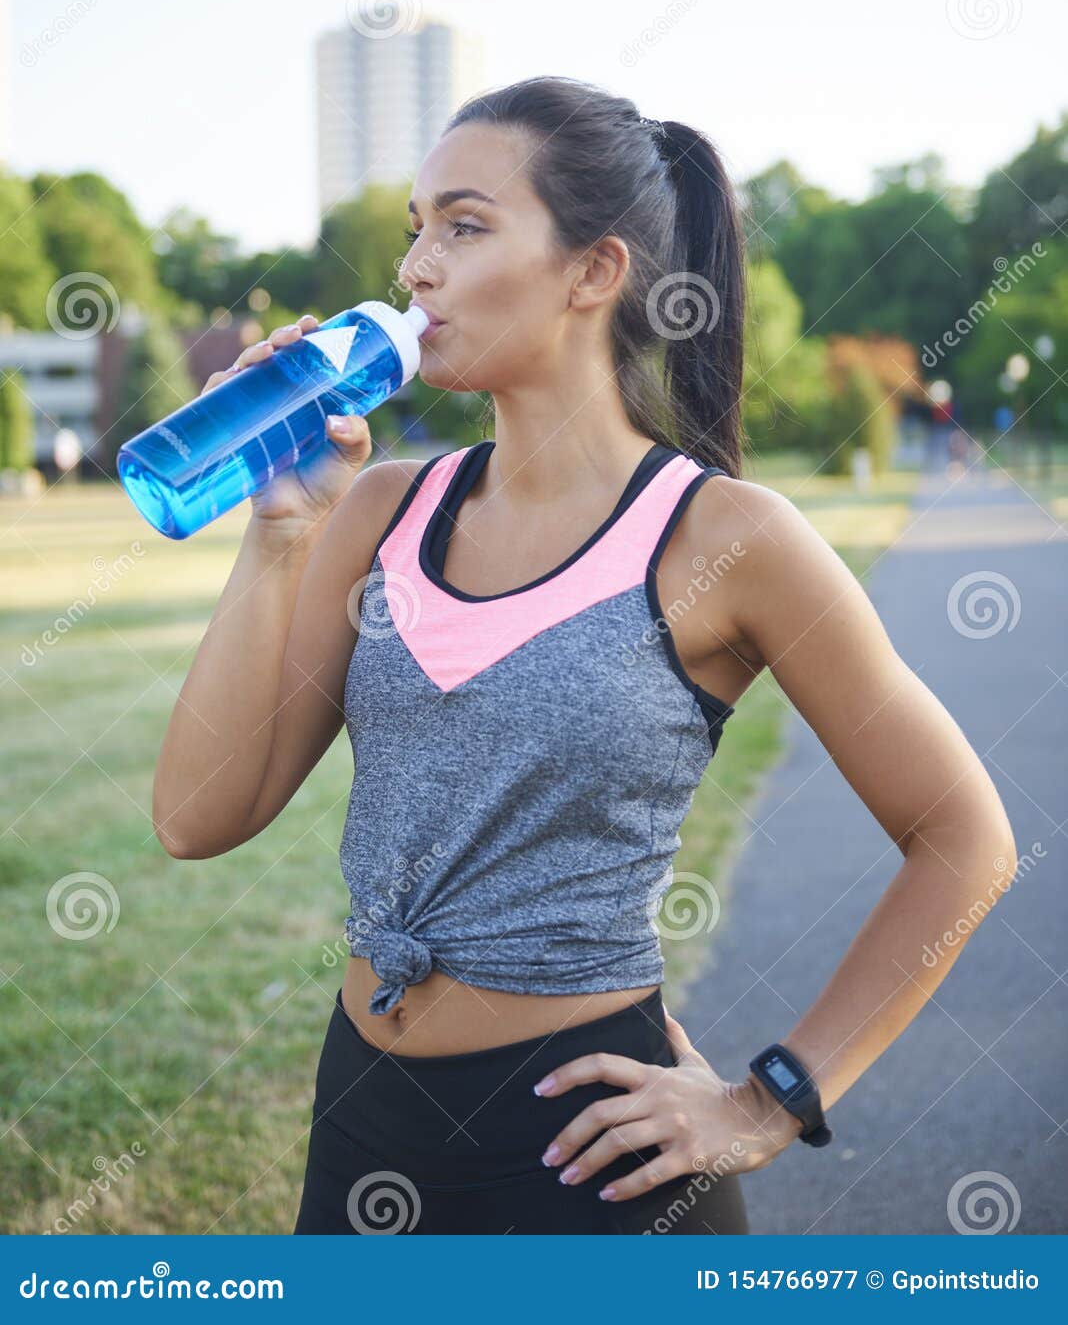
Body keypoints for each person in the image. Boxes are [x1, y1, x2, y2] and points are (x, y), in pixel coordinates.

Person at [152, 76, 1017, 1235]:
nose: (416, 268)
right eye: (418, 230)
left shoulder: (726, 538)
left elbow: (964, 839)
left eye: (464, 226)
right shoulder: (381, 511)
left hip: (587, 1159)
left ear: (593, 272)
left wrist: (771, 1100)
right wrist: (275, 534)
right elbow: (197, 817)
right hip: (363, 1126)